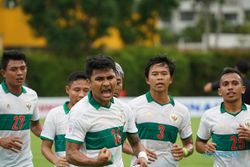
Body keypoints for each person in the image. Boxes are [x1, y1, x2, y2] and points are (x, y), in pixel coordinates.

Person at [65, 56, 148, 167]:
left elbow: (136, 142)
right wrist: (96, 162)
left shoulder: (124, 108)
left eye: (110, 78)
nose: (106, 83)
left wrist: (142, 156)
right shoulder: (79, 113)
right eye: (99, 79)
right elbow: (71, 154)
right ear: (89, 83)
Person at [127, 56, 193, 166]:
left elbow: (189, 144)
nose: (159, 77)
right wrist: (140, 152)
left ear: (171, 79)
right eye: (155, 74)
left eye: (164, 73)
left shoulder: (182, 110)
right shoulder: (133, 106)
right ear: (147, 79)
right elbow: (121, 141)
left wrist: (184, 151)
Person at [196, 67, 250, 167]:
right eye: (225, 84)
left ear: (243, 89)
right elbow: (199, 144)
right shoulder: (209, 115)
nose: (230, 87)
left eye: (235, 83)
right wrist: (205, 148)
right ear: (220, 91)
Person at [0, 50, 42, 166]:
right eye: (14, 69)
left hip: (25, 162)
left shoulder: (32, 95)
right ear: (3, 73)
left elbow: (35, 126)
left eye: (23, 68)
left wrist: (56, 137)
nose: (20, 73)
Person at [40, 71, 90, 167]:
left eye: (86, 90)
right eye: (77, 90)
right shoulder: (54, 114)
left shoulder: (95, 114)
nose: (81, 94)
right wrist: (56, 160)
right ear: (67, 89)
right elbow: (45, 147)